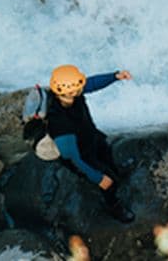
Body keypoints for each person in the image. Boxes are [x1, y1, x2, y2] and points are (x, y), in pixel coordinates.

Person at [46, 64, 135, 223]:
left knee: (107, 154)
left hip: (90, 137)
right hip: (81, 154)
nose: (83, 87)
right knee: (108, 182)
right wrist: (98, 178)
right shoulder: (59, 123)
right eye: (79, 86)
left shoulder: (69, 93)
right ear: (67, 91)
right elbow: (74, 159)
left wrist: (115, 76)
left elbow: (92, 83)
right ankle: (113, 205)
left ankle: (115, 172)